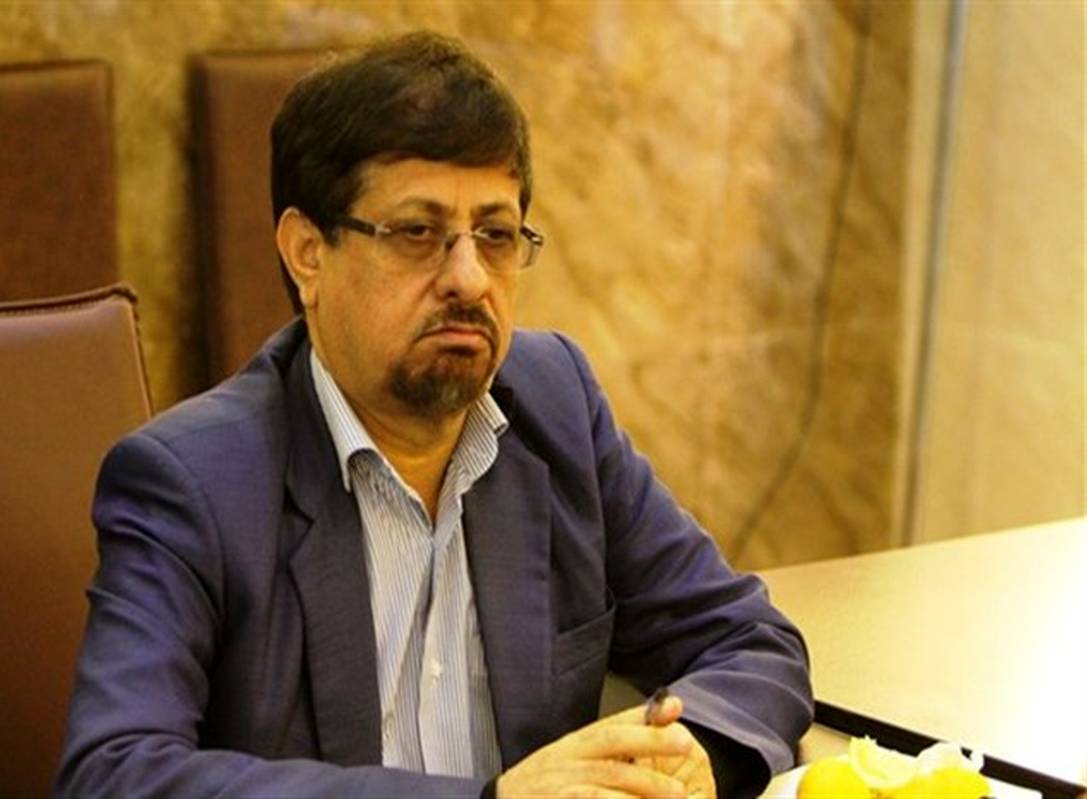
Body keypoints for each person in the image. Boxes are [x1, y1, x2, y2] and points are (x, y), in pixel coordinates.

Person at [57, 31, 812, 799]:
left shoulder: (555, 406)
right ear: (307, 252)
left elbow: (750, 641)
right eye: (418, 233)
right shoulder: (192, 481)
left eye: (496, 235)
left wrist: (683, 759)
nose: (469, 278)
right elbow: (112, 773)